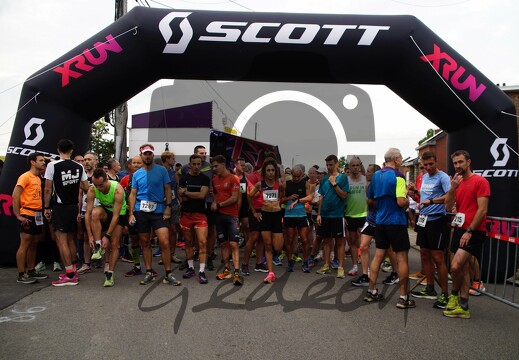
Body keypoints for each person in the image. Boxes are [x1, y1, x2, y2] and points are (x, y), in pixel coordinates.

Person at [365, 148, 415, 309]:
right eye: (400, 157)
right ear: (394, 158)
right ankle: (403, 297)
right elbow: (401, 202)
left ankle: (371, 291)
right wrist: (408, 199)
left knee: (378, 256)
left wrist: (381, 205)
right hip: (396, 221)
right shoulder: (398, 176)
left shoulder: (376, 176)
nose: (401, 160)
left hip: (380, 221)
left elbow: (369, 200)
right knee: (402, 258)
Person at [443, 150, 490, 319]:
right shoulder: (457, 183)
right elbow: (448, 207)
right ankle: (463, 305)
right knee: (461, 268)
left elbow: (483, 209)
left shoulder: (480, 181)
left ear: (468, 162)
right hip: (459, 228)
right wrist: (452, 189)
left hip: (474, 231)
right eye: (455, 163)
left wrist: (470, 231)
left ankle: (454, 296)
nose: (458, 166)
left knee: (455, 266)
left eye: (461, 162)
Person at [128, 144, 181, 286]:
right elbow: (133, 194)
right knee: (144, 242)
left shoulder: (162, 170)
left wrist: (168, 207)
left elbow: (168, 189)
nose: (147, 156)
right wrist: (131, 213)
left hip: (159, 210)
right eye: (145, 154)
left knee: (164, 241)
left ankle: (169, 273)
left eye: (150, 154)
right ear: (141, 155)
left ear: (153, 155)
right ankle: (149, 272)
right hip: (141, 210)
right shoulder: (136, 174)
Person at [44, 139, 89, 286]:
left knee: (61, 239)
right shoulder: (78, 166)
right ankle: (73, 270)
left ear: (58, 150)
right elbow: (86, 186)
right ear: (71, 151)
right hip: (73, 206)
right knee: (71, 239)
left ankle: (70, 275)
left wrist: (46, 207)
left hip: (60, 206)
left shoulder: (52, 165)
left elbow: (48, 189)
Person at [410, 151, 451, 309]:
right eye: (425, 165)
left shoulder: (443, 177)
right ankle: (430, 288)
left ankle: (445, 295)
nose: (428, 168)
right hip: (423, 220)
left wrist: (432, 201)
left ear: (436, 161)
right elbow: (422, 199)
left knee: (438, 258)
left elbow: (449, 196)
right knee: (424, 255)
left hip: (437, 220)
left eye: (431, 164)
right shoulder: (425, 177)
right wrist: (415, 195)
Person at [84, 168, 127, 287]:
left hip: (119, 214)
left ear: (107, 179)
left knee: (113, 243)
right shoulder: (93, 189)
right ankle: (98, 246)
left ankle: (110, 274)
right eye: (96, 185)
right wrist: (90, 236)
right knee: (94, 213)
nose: (99, 188)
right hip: (106, 211)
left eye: (101, 185)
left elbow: (116, 216)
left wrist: (107, 236)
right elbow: (87, 214)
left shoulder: (117, 190)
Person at [13, 152, 48, 284]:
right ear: (32, 162)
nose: (43, 162)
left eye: (44, 160)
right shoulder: (25, 177)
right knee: (25, 244)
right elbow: (15, 196)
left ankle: (31, 270)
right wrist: (18, 215)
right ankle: (21, 274)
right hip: (27, 213)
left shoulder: (38, 177)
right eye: (40, 160)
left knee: (34, 243)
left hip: (37, 214)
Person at [249, 158, 285, 283]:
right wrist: (254, 212)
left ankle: (274, 260)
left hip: (276, 216)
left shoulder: (279, 184)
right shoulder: (260, 184)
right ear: (264, 172)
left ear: (276, 172)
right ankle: (270, 273)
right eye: (268, 170)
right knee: (268, 246)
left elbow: (282, 197)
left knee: (278, 246)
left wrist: (278, 204)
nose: (270, 172)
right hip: (265, 216)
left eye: (272, 170)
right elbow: (249, 196)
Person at [178, 154, 210, 284]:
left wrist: (186, 193)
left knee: (202, 242)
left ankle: (202, 271)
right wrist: (189, 195)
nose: (196, 166)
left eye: (199, 164)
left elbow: (202, 195)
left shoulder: (205, 178)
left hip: (200, 215)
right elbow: (181, 197)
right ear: (189, 164)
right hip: (186, 214)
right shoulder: (183, 178)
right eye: (194, 164)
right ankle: (191, 268)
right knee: (188, 242)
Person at [316, 155, 349, 278]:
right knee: (326, 240)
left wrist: (334, 184)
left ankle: (340, 267)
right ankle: (326, 265)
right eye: (327, 165)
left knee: (340, 241)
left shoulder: (343, 178)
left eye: (331, 164)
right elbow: (321, 197)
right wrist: (319, 214)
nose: (329, 167)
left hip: (337, 215)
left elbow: (344, 195)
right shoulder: (324, 179)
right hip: (325, 214)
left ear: (336, 164)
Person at [211, 155, 243, 285]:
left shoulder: (234, 178)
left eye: (216, 166)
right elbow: (216, 195)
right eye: (213, 166)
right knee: (223, 243)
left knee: (234, 244)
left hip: (231, 216)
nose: (214, 168)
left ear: (223, 164)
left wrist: (219, 205)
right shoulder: (214, 180)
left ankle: (236, 271)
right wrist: (214, 203)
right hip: (219, 216)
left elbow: (235, 198)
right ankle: (226, 269)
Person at [281, 165, 313, 273]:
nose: (296, 179)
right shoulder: (286, 184)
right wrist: (288, 198)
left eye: (298, 177)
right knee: (289, 239)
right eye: (294, 176)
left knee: (304, 239)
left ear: (301, 175)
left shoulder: (305, 183)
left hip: (301, 214)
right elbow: (280, 200)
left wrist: (299, 200)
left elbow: (310, 197)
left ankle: (305, 262)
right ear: (291, 175)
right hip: (289, 215)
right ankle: (290, 261)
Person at [120, 155, 145, 277]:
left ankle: (149, 268)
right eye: (134, 163)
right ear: (130, 165)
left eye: (138, 163)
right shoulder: (125, 179)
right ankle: (137, 266)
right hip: (130, 213)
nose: (136, 165)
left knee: (146, 240)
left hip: (145, 213)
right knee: (134, 239)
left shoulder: (148, 177)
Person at [344, 156, 367, 277]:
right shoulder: (346, 180)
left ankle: (365, 267)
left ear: (360, 166)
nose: (355, 168)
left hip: (364, 214)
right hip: (350, 214)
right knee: (352, 241)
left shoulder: (365, 179)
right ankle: (354, 266)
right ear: (349, 167)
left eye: (357, 165)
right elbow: (342, 198)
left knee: (363, 243)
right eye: (353, 165)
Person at [161, 151, 182, 265]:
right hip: (162, 203)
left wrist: (179, 200)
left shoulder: (175, 173)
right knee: (163, 230)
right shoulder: (159, 171)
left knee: (173, 229)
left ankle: (172, 254)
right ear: (166, 159)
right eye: (172, 158)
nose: (174, 160)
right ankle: (164, 253)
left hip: (173, 203)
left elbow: (177, 187)